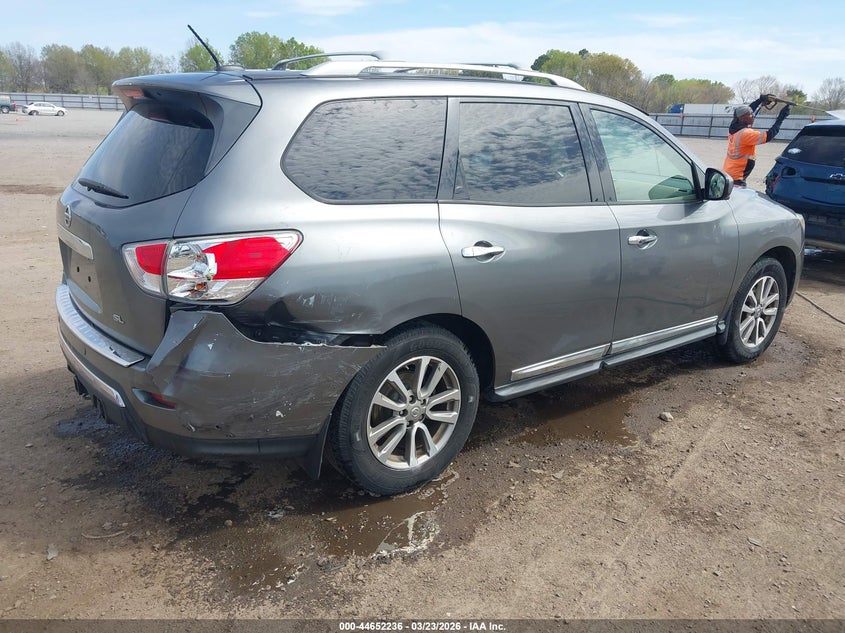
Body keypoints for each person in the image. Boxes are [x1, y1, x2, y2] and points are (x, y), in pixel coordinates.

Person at [723, 94, 790, 187]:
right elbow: (769, 135)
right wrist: (780, 119)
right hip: (737, 177)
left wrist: (759, 101)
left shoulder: (734, 126)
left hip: (730, 171)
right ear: (743, 118)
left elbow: (748, 110)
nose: (753, 116)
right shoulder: (746, 134)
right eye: (750, 115)